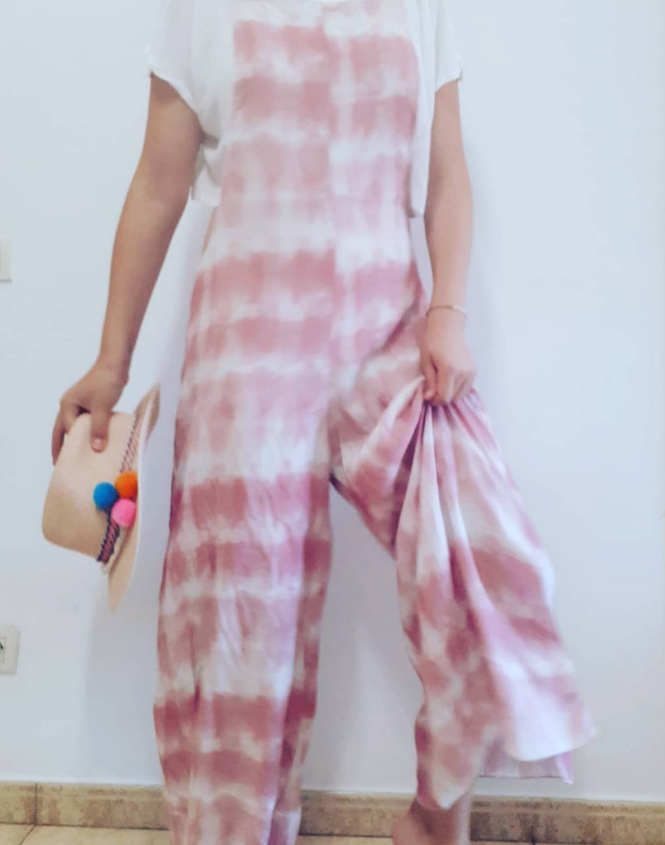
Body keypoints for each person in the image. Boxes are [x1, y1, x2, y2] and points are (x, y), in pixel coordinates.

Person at [51, 0, 595, 842]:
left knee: (486, 558)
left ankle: (433, 817)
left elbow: (445, 174)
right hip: (248, 342)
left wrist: (447, 311)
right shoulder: (200, 10)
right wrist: (111, 361)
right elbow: (159, 183)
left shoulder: (418, 8)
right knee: (242, 623)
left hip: (388, 333)